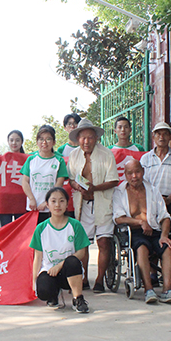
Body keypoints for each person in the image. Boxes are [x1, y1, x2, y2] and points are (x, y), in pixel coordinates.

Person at [113, 160, 171, 304]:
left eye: (137, 172)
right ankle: (148, 290)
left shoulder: (153, 190)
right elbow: (118, 218)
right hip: (134, 232)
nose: (134, 176)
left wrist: (164, 236)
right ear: (125, 175)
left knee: (168, 248)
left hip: (155, 230)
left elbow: (165, 216)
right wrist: (140, 222)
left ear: (143, 171)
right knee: (142, 248)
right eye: (130, 173)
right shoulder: (119, 192)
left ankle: (167, 290)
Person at [67, 119, 119, 293]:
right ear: (78, 139)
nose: (86, 141)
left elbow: (114, 180)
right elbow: (71, 179)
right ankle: (83, 279)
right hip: (83, 205)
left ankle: (99, 280)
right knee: (83, 244)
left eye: (90, 137)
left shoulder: (106, 154)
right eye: (83, 138)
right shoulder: (74, 155)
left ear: (96, 138)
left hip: (103, 203)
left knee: (104, 242)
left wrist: (94, 188)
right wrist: (77, 186)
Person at [30, 187, 89, 313]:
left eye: (62, 201)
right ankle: (53, 295)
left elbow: (81, 252)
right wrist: (34, 281)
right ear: (47, 204)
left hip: (69, 270)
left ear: (67, 204)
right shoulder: (41, 228)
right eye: (53, 201)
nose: (57, 205)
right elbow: (38, 257)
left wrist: (60, 265)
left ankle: (78, 298)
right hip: (49, 270)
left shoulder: (75, 225)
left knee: (72, 261)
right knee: (43, 290)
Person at [140, 122, 171, 229]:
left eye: (165, 134)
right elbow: (141, 182)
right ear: (153, 137)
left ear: (170, 137)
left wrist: (169, 199)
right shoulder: (145, 158)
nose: (161, 137)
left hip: (170, 201)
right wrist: (153, 198)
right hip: (149, 201)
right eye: (158, 134)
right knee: (150, 232)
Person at [21, 126, 68, 224]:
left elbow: (59, 184)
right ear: (37, 142)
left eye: (48, 139)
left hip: (51, 208)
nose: (44, 142)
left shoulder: (59, 161)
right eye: (41, 139)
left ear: (54, 142)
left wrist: (46, 203)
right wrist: (31, 199)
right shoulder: (31, 160)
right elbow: (25, 181)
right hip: (33, 207)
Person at [0, 130, 26, 227]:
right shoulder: (2, 159)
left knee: (21, 230)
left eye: (17, 140)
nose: (14, 143)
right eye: (11, 140)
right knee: (6, 229)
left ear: (22, 142)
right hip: (5, 201)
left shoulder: (28, 159)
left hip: (21, 200)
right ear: (8, 142)